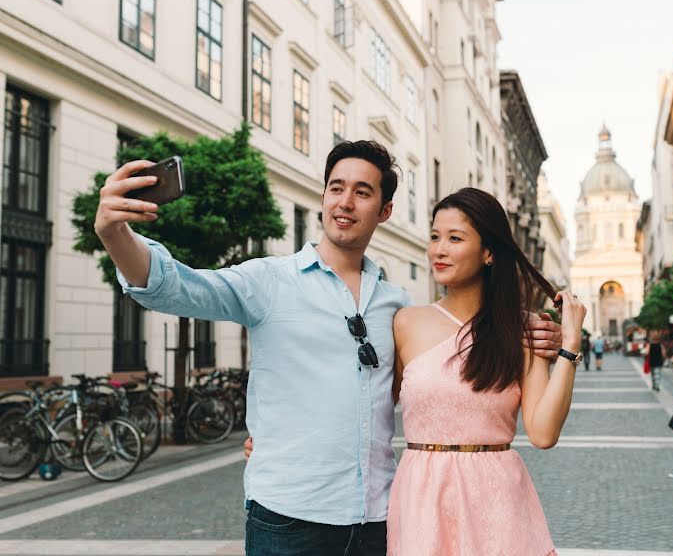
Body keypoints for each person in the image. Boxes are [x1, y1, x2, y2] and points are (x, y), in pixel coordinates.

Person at [94, 140, 562, 556]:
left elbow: (437, 386)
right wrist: (116, 235)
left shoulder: (398, 307)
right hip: (289, 518)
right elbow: (177, 287)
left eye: (363, 191)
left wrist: (541, 339)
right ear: (323, 198)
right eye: (336, 187)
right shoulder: (268, 282)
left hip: (380, 518)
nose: (346, 201)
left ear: (384, 211)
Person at [387, 188, 586, 555]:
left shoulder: (523, 330)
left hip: (498, 503)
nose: (439, 249)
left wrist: (569, 345)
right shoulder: (406, 323)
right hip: (422, 499)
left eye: (455, 238)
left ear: (489, 252)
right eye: (434, 237)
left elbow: (543, 432)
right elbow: (367, 408)